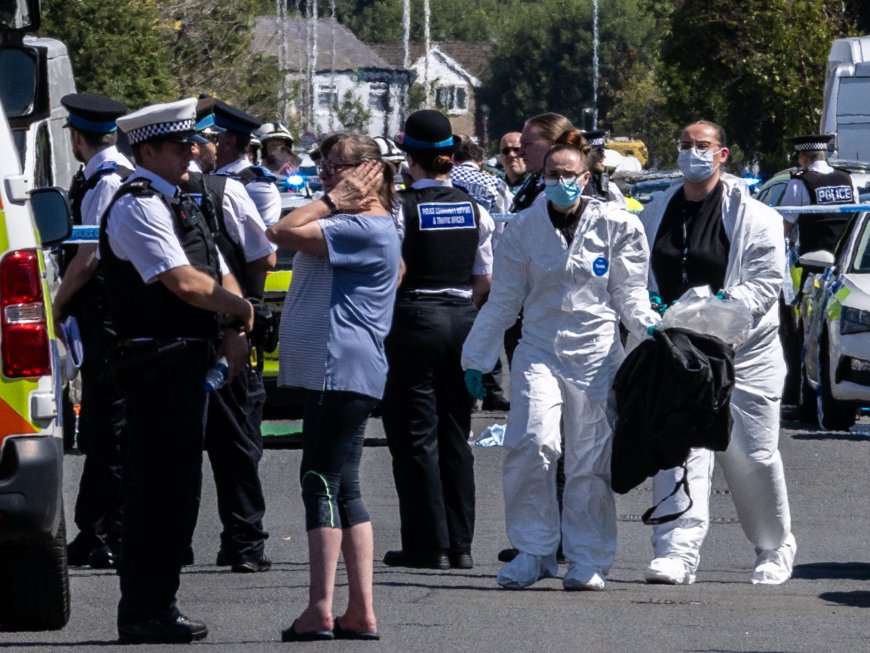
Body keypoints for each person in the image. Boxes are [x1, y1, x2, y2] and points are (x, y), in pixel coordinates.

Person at [462, 130, 659, 591]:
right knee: (531, 442)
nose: (560, 183)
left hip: (595, 354)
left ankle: (589, 557)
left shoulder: (619, 225)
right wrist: (477, 356)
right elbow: (504, 299)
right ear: (542, 176)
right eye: (552, 175)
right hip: (540, 349)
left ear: (586, 177)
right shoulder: (523, 227)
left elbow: (629, 294)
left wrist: (651, 326)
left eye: (569, 175)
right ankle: (534, 551)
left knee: (590, 458)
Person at [101, 98, 255, 643]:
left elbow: (220, 270)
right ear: (149, 150)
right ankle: (144, 608)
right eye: (182, 144)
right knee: (156, 491)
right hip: (157, 362)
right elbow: (184, 283)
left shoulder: (184, 200)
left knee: (179, 489)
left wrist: (235, 329)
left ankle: (159, 604)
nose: (195, 150)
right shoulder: (138, 204)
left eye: (194, 142)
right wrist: (239, 314)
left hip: (190, 358)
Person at [639, 120, 796, 586]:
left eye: (702, 146)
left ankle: (773, 546)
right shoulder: (656, 211)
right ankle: (676, 551)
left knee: (753, 454)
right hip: (679, 351)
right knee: (677, 448)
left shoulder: (757, 217)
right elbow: (639, 276)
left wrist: (706, 312)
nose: (692, 153)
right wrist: (654, 314)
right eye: (685, 145)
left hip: (744, 353)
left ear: (722, 154)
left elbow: (764, 284)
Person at [266, 134, 400, 642]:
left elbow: (278, 230)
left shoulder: (358, 225)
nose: (325, 175)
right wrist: (333, 199)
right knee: (343, 486)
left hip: (339, 368)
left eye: (336, 167)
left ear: (367, 172)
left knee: (318, 481)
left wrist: (330, 201)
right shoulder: (366, 225)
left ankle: (319, 609)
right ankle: (359, 611)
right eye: (322, 167)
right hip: (344, 369)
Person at [380, 110, 494, 571]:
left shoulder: (400, 207)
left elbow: (391, 272)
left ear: (411, 158)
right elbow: (484, 280)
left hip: (415, 319)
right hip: (462, 320)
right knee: (454, 433)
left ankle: (427, 543)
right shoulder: (474, 207)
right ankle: (461, 544)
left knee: (414, 437)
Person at [182, 108, 278, 574]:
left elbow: (262, 255)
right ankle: (243, 543)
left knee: (180, 448)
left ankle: (191, 544)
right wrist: (247, 311)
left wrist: (244, 314)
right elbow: (264, 256)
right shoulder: (226, 191)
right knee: (234, 443)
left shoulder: (142, 193)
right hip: (220, 335)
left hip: (197, 337)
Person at [54, 92, 131, 570]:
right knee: (102, 426)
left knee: (112, 428)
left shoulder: (105, 181)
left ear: (78, 137)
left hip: (107, 320)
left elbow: (89, 258)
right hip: (103, 320)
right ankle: (94, 528)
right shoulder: (104, 175)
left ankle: (113, 531)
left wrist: (56, 304)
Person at [449, 139, 512, 412]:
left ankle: (461, 391)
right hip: (488, 259)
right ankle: (491, 389)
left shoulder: (445, 178)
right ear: (480, 159)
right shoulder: (493, 182)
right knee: (488, 324)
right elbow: (505, 219)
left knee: (457, 326)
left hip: (452, 260)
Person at [781, 134, 858, 254]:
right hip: (847, 258)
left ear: (804, 158)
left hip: (812, 262)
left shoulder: (799, 183)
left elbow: (784, 225)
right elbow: (856, 216)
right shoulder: (848, 179)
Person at [212, 100, 282, 227]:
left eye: (209, 138)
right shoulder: (206, 173)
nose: (196, 145)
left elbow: (262, 241)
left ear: (229, 143)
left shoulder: (258, 186)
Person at [450, 139, 514, 215]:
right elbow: (504, 212)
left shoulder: (446, 176)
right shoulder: (496, 184)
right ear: (481, 161)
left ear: (455, 160)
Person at [581, 130, 627, 208]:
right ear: (588, 154)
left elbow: (620, 204)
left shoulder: (603, 177)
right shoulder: (580, 181)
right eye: (600, 152)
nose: (603, 157)